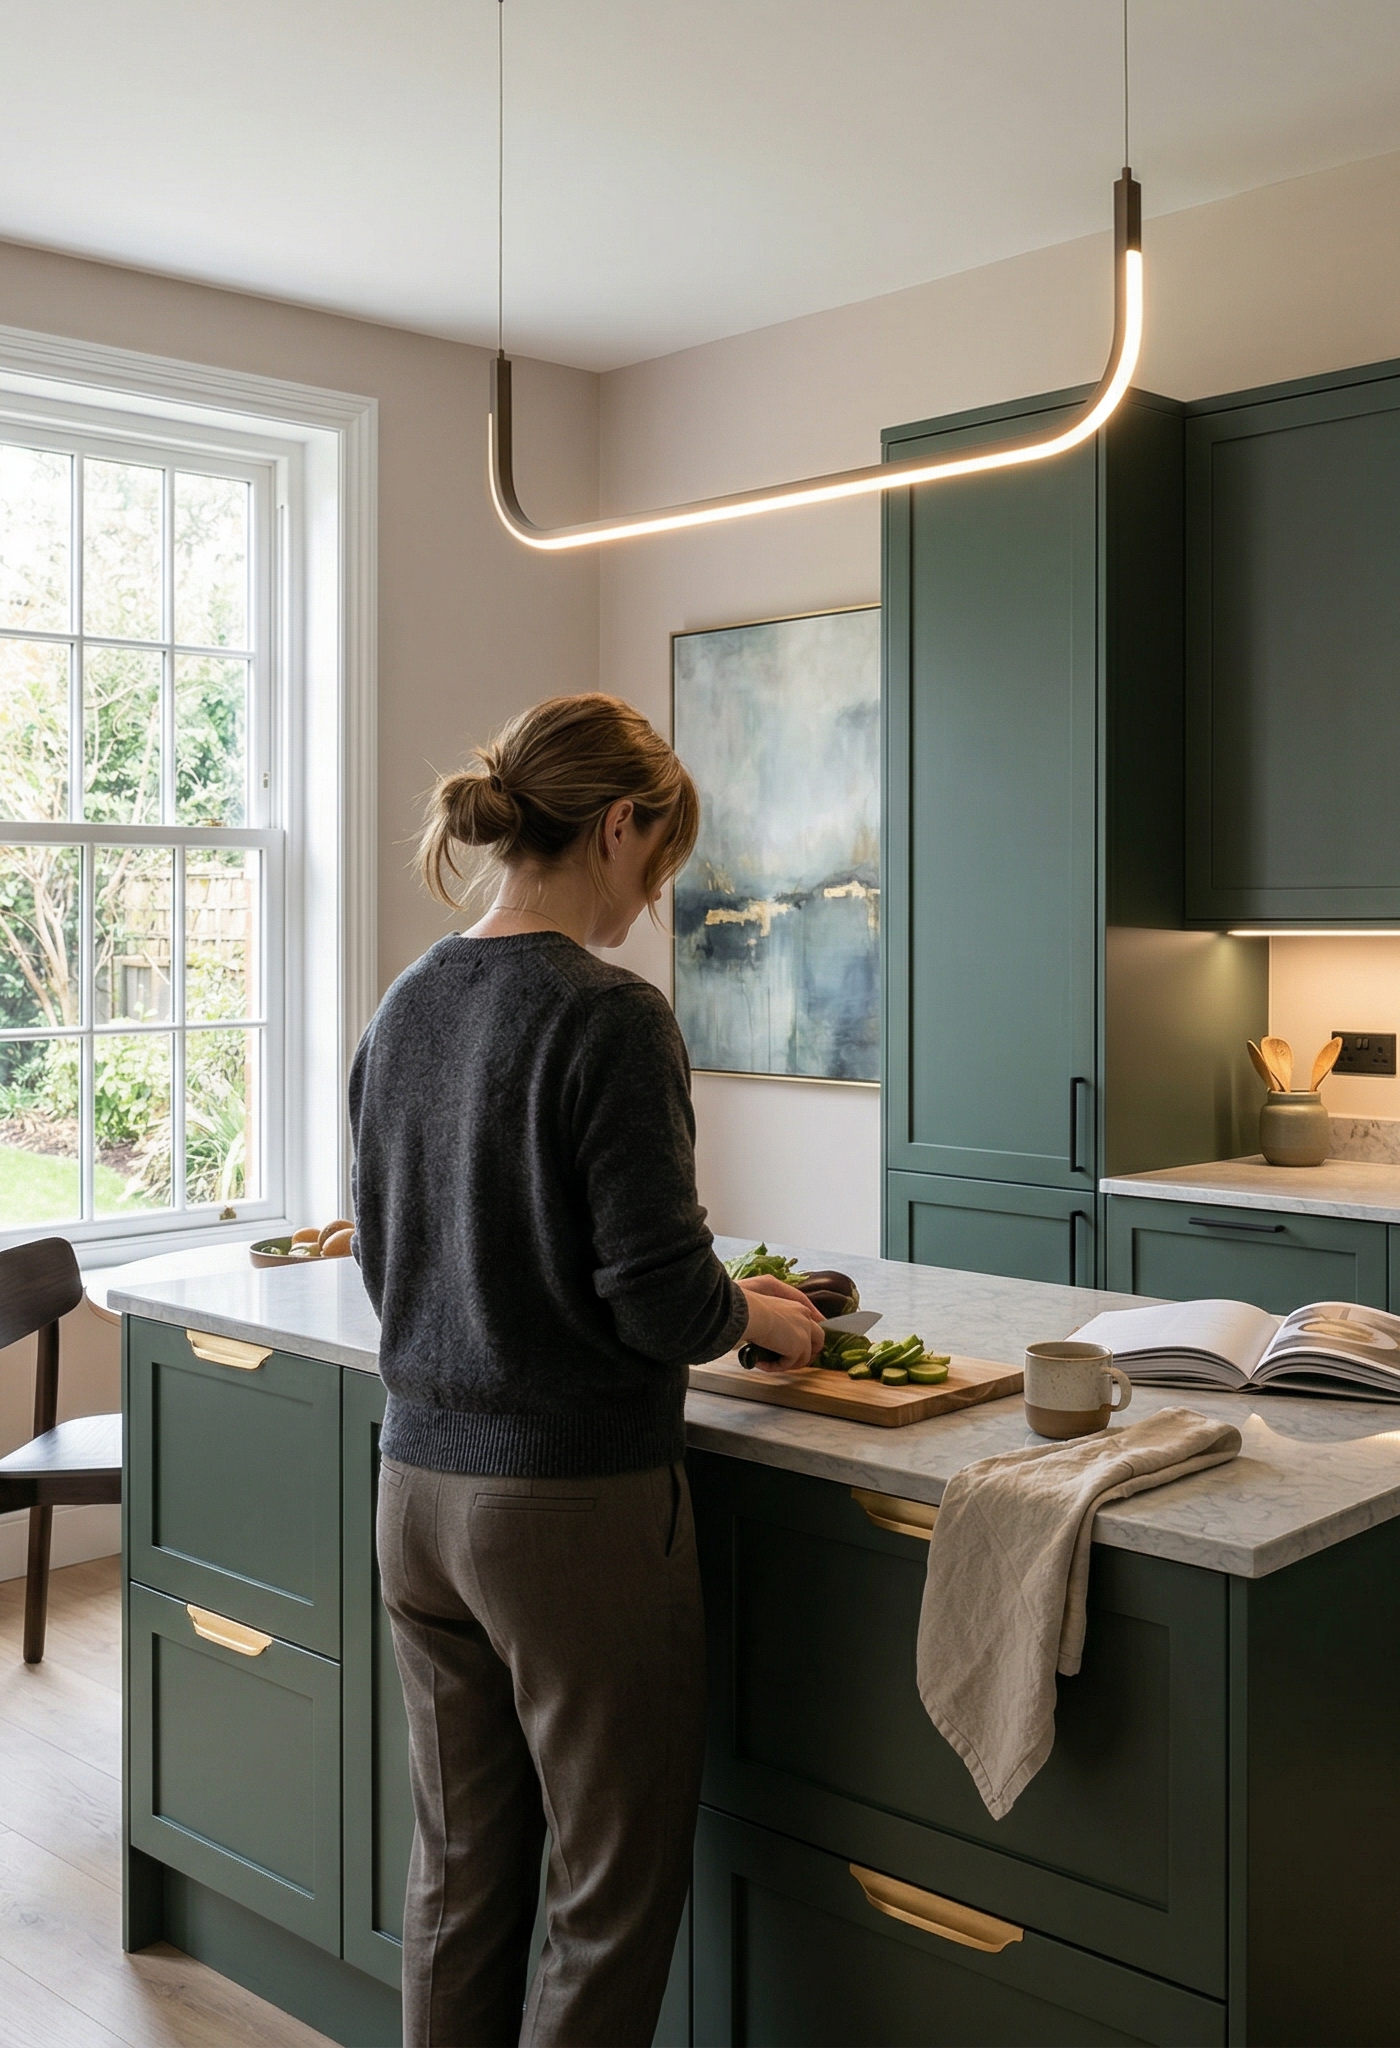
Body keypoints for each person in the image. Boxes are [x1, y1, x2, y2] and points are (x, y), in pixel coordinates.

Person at [348, 692, 823, 2047]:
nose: (652, 901)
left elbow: (393, 1257)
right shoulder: (609, 1016)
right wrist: (757, 1319)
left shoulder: (409, 1001)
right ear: (619, 826)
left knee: (458, 1876)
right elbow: (661, 1296)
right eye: (659, 864)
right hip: (569, 1515)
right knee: (609, 1888)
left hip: (416, 1492)